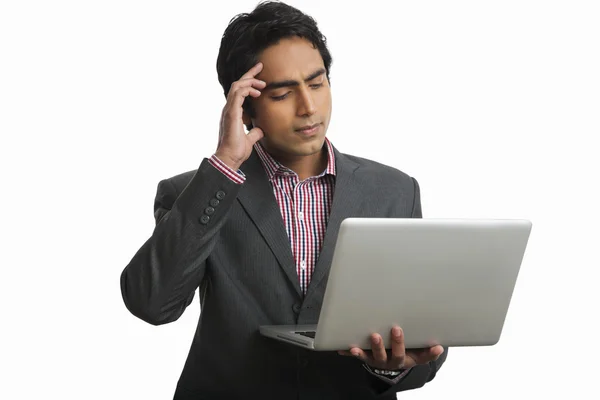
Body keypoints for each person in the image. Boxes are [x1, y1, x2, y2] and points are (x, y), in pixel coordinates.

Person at [120, 1, 448, 399]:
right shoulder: (196, 193)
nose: (308, 107)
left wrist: (394, 367)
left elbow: (424, 335)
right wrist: (224, 167)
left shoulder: (395, 191)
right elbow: (152, 304)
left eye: (316, 83)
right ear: (245, 108)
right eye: (282, 94)